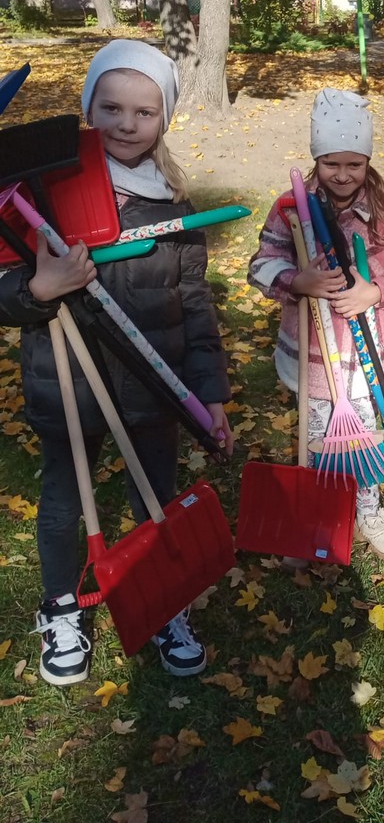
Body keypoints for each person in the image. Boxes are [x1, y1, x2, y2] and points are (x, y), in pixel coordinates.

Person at [0, 39, 233, 686]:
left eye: (144, 112)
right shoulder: (42, 194)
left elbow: (196, 307)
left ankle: (164, 601)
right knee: (63, 500)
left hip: (152, 386)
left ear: (164, 119)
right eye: (111, 107)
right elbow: (5, 293)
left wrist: (210, 394)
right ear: (88, 107)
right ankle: (61, 607)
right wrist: (38, 288)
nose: (127, 124)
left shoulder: (174, 207)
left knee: (155, 498)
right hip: (65, 382)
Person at [248, 89, 384, 560]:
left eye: (354, 164)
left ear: (367, 161)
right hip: (314, 359)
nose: (343, 175)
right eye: (331, 163)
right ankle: (319, 512)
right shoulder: (290, 209)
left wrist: (376, 291)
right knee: (319, 438)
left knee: (365, 438)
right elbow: (260, 265)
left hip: (368, 358)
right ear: (316, 159)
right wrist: (296, 280)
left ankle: (368, 508)